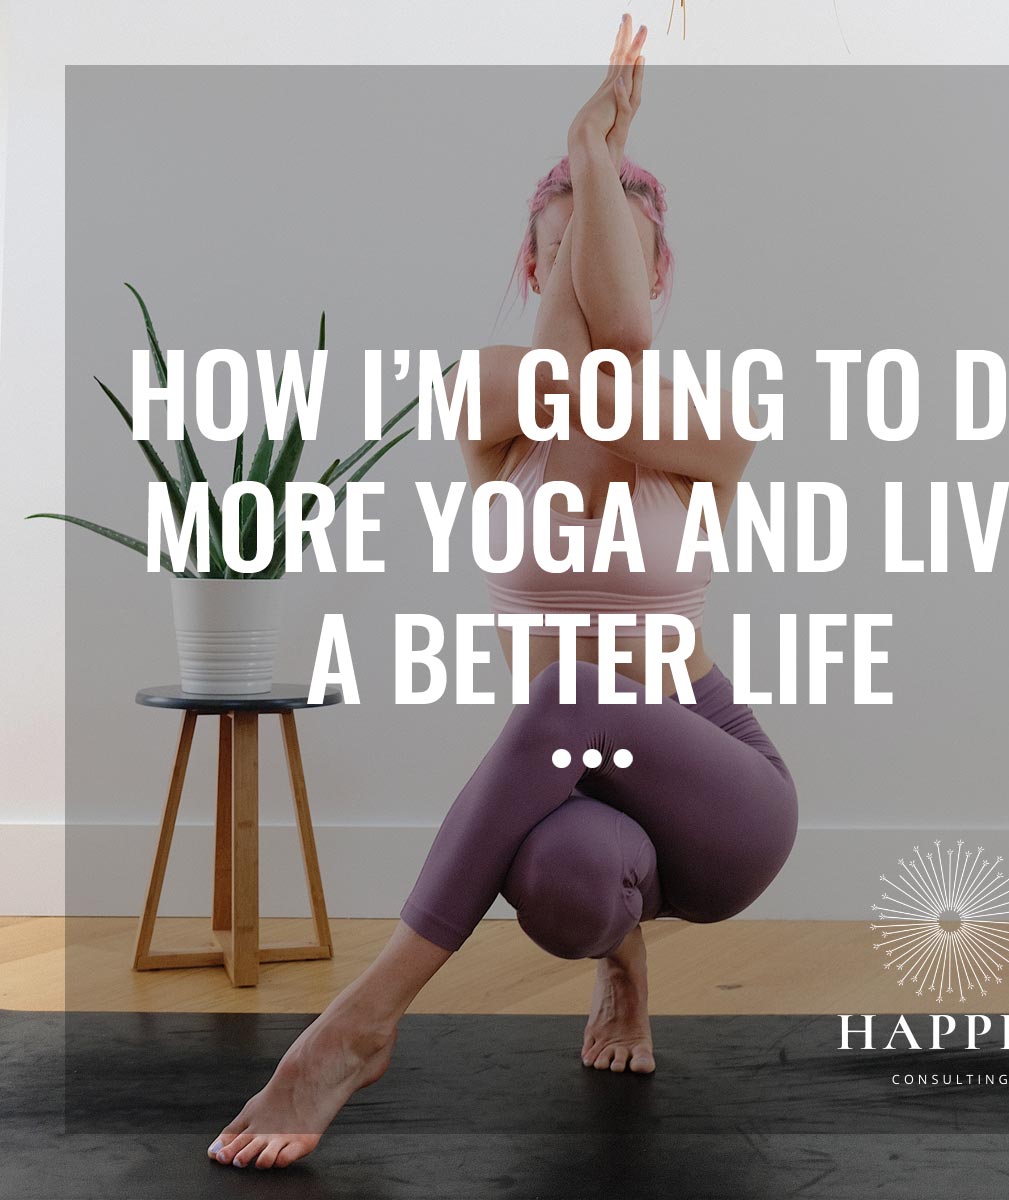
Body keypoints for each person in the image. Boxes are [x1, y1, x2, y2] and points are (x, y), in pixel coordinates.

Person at [208, 14, 797, 1170]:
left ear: (658, 267)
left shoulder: (708, 430)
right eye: (567, 251)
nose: (591, 271)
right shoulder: (487, 402)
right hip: (581, 809)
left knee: (573, 687)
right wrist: (593, 182)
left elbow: (616, 343)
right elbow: (576, 363)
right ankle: (618, 966)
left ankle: (355, 1027)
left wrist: (590, 157)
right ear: (532, 270)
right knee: (567, 879)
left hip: (718, 792)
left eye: (616, 247)